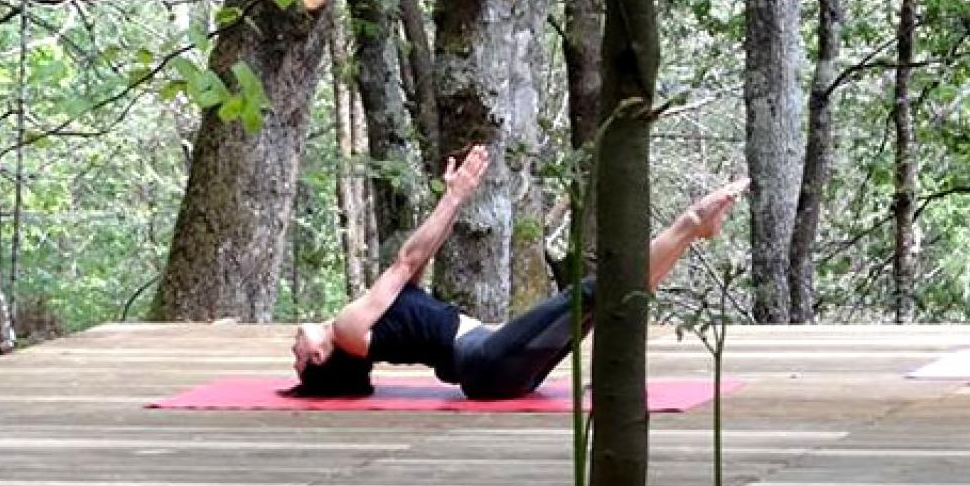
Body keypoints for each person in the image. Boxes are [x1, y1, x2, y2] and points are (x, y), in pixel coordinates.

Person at [291, 144, 748, 398]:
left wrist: (458, 198)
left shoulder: (367, 329)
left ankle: (693, 231)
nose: (293, 346)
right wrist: (454, 197)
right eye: (297, 357)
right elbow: (405, 261)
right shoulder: (350, 327)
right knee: (591, 294)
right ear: (319, 357)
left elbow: (417, 259)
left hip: (496, 367)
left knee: (600, 299)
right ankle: (690, 223)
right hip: (487, 363)